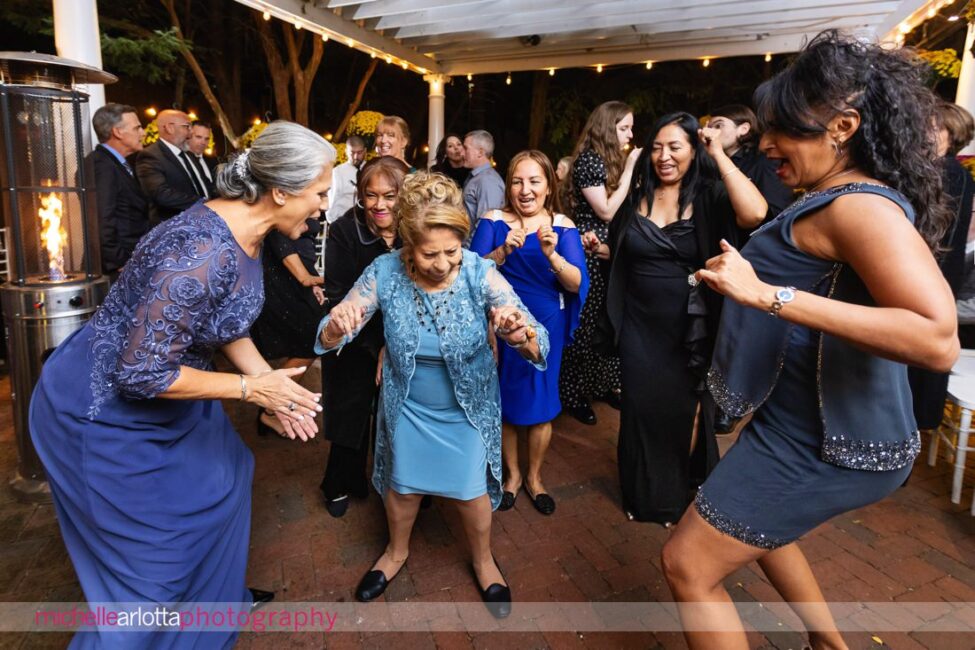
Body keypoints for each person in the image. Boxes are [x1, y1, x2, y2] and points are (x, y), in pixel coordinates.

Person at [661, 31, 958, 650]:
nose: (766, 142)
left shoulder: (860, 208)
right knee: (758, 523)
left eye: (784, 129)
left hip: (826, 440)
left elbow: (936, 338)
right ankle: (828, 641)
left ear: (842, 126)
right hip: (795, 421)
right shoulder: (828, 195)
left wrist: (766, 295)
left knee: (687, 566)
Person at [29, 121, 334, 648]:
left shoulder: (252, 230)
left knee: (229, 475)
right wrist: (250, 391)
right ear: (282, 191)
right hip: (101, 411)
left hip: (173, 385)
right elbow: (141, 372)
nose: (325, 205)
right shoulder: (198, 251)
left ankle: (210, 611)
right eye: (321, 193)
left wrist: (265, 378)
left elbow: (225, 319)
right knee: (150, 578)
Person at [317, 171, 548, 618]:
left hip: (465, 409)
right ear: (407, 244)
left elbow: (534, 336)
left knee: (469, 494)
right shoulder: (384, 271)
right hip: (407, 406)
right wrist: (336, 325)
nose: (443, 263)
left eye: (451, 251)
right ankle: (396, 552)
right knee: (402, 489)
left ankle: (484, 563)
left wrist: (518, 334)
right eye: (429, 254)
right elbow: (331, 332)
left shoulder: (479, 272)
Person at [606, 112, 767, 525]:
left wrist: (719, 152)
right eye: (657, 147)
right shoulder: (638, 195)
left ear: (694, 151)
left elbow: (755, 213)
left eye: (675, 146)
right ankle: (642, 494)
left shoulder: (710, 195)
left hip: (689, 326)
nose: (664, 156)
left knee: (684, 409)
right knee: (640, 408)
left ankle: (678, 494)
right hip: (639, 325)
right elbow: (625, 249)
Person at [470, 150, 588, 516]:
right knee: (505, 402)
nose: (525, 189)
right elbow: (470, 273)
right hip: (501, 321)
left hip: (545, 325)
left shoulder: (562, 224)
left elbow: (576, 281)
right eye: (518, 181)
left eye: (535, 181)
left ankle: (536, 478)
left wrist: (553, 255)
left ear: (549, 186)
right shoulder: (493, 220)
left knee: (540, 405)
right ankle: (513, 477)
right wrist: (503, 250)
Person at [319, 156, 410, 518]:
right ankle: (339, 482)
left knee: (403, 417)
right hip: (354, 337)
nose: (380, 205)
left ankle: (407, 484)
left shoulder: (416, 226)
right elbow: (339, 294)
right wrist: (374, 347)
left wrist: (394, 344)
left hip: (405, 336)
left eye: (390, 195)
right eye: (370, 196)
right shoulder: (344, 229)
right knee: (352, 411)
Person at [559, 101, 640, 425]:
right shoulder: (589, 161)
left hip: (612, 250)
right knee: (585, 324)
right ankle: (572, 393)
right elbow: (605, 210)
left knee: (610, 322)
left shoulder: (611, 160)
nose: (630, 135)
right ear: (608, 128)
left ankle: (600, 385)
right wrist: (632, 167)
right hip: (589, 252)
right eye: (624, 128)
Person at [908, 101, 975, 432]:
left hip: (927, 275)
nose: (924, 132)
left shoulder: (946, 172)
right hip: (933, 275)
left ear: (953, 133)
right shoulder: (949, 172)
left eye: (933, 127)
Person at [250, 211, 328, 436]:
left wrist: (311, 279)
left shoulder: (306, 200)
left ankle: (272, 406)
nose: (322, 205)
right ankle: (270, 409)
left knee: (310, 342)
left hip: (298, 281)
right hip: (284, 281)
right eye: (321, 195)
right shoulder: (286, 201)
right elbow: (281, 239)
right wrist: (309, 278)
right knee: (311, 342)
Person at [88, 103, 149, 279]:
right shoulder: (102, 165)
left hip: (132, 260)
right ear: (117, 132)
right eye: (137, 128)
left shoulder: (118, 163)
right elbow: (101, 218)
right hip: (118, 269)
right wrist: (119, 262)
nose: (143, 133)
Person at [707, 105, 794, 219]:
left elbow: (777, 212)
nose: (710, 132)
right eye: (709, 127)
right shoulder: (712, 164)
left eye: (718, 126)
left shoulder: (764, 162)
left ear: (743, 129)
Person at [136, 109, 206, 224]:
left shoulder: (189, 155)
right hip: (173, 230)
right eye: (187, 127)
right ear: (169, 128)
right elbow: (161, 194)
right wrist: (204, 203)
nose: (191, 133)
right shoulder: (150, 155)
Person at [462, 129, 506, 232]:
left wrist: (467, 248)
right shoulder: (478, 178)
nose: (462, 153)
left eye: (465, 148)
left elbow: (486, 226)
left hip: (473, 247)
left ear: (480, 152)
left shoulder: (488, 181)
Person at [326, 135, 367, 225]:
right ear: (346, 152)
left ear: (365, 151)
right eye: (352, 153)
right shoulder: (337, 172)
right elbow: (332, 200)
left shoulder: (371, 169)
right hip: (345, 223)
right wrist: (334, 223)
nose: (356, 157)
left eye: (359, 152)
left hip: (368, 223)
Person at [185, 121, 217, 196]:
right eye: (198, 137)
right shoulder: (180, 161)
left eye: (206, 139)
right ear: (188, 136)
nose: (203, 142)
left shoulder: (213, 160)